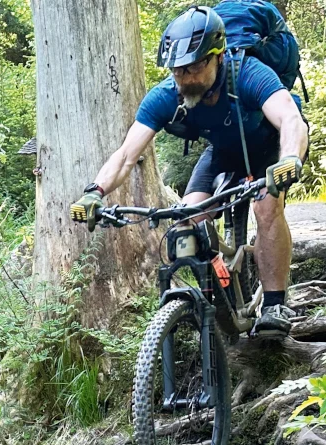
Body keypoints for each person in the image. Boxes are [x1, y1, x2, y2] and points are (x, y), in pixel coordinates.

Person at [70, 4, 309, 338]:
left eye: (195, 67)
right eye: (178, 70)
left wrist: (289, 160)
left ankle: (274, 303)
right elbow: (126, 155)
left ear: (218, 57)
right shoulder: (167, 95)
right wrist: (95, 191)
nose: (185, 78)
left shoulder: (247, 73)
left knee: (266, 207)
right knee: (186, 220)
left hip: (270, 146)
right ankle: (209, 302)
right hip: (223, 153)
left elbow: (289, 119)